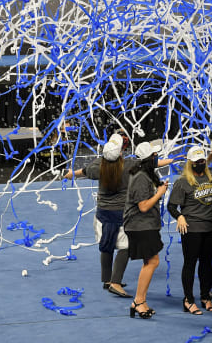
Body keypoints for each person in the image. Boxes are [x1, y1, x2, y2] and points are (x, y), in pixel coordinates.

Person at [63, 134, 138, 297]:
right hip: (121, 214)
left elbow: (83, 171)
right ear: (120, 153)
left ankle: (107, 279)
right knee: (126, 247)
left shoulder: (98, 167)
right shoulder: (129, 165)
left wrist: (71, 174)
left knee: (107, 245)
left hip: (103, 214)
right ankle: (116, 282)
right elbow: (150, 163)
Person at [167, 145, 212, 314]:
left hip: (210, 227)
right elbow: (171, 206)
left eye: (203, 161)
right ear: (190, 162)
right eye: (197, 161)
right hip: (191, 229)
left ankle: (205, 296)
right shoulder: (182, 182)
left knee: (206, 264)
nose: (200, 163)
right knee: (190, 264)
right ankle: (188, 300)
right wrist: (180, 216)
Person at [123, 141, 169, 319]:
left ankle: (140, 300)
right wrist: (160, 193)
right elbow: (143, 206)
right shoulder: (141, 177)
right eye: (155, 155)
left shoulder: (144, 173)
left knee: (150, 262)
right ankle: (138, 301)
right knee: (152, 262)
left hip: (144, 224)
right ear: (150, 158)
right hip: (140, 225)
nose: (157, 157)